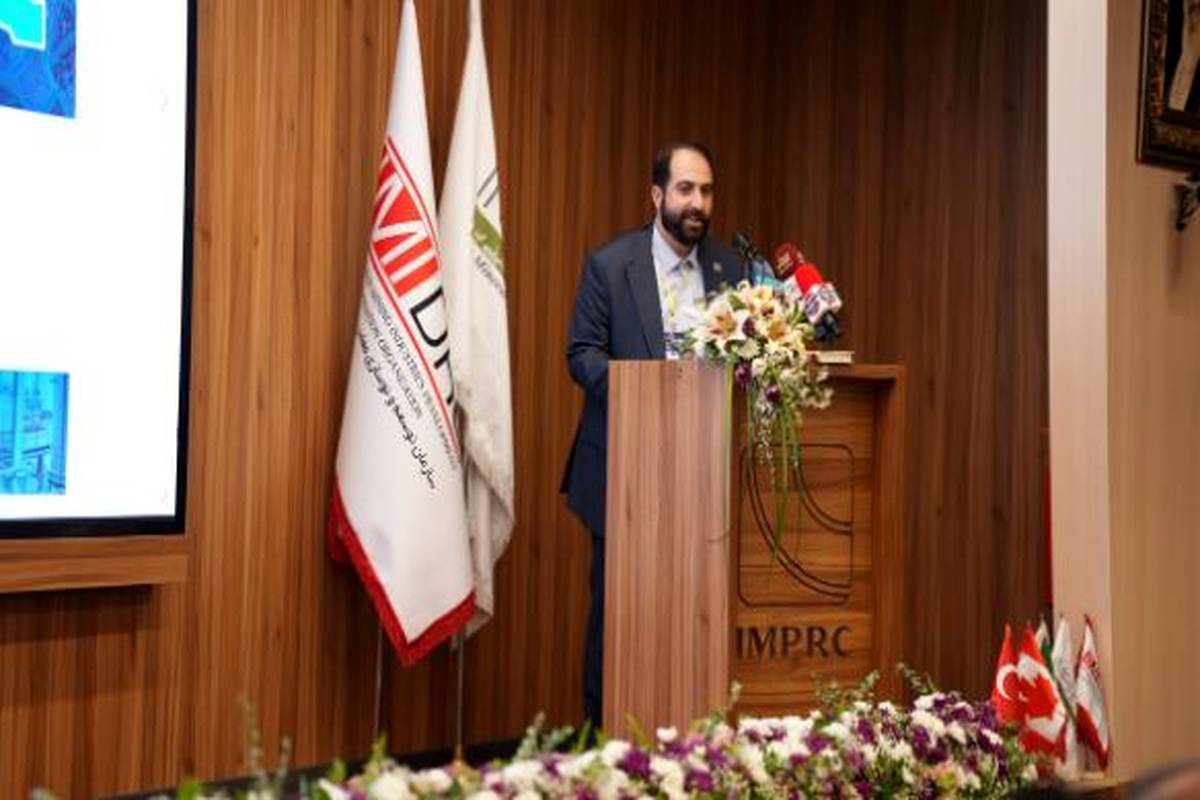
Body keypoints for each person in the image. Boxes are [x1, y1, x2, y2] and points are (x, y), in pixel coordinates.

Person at [560, 141, 745, 728]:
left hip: (704, 479)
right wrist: (647, 395)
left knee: (695, 616)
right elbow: (581, 354)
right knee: (618, 616)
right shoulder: (611, 265)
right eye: (686, 189)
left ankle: (687, 737)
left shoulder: (731, 270)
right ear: (657, 194)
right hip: (625, 471)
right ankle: (603, 741)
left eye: (706, 191)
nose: (698, 203)